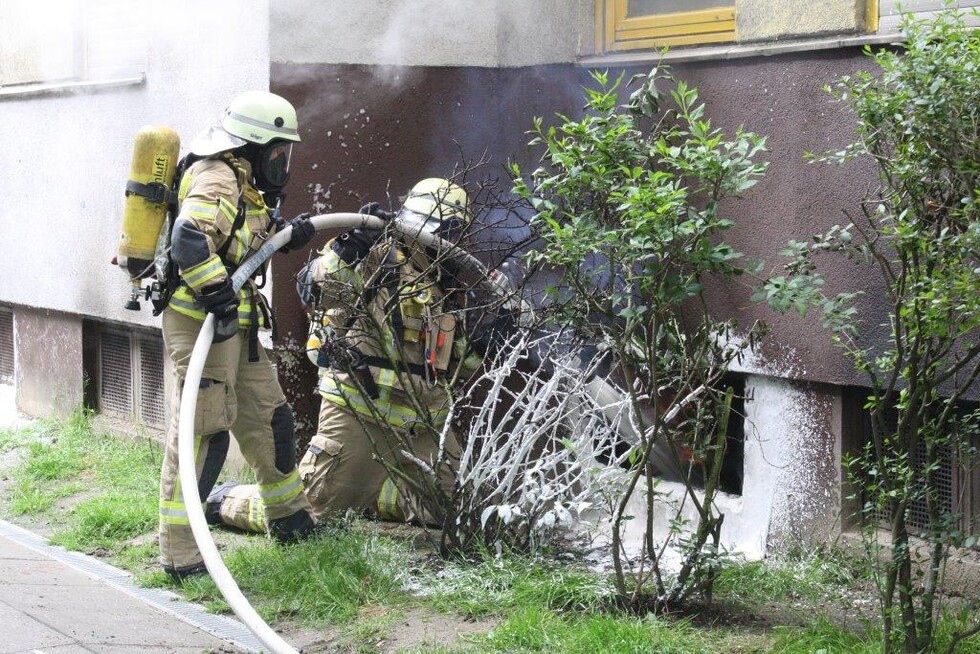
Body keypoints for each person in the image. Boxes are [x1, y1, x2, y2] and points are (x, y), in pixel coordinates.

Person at [207, 178, 497, 531]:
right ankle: (225, 500)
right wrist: (350, 249)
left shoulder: (447, 288)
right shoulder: (374, 255)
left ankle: (368, 495)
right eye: (447, 233)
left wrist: (490, 334)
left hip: (424, 424)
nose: (450, 244)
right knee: (309, 513)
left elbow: (459, 366)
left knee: (459, 514)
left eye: (457, 234)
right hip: (360, 413)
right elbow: (313, 288)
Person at [158, 90, 318, 579]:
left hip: (237, 325)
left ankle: (288, 519)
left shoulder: (243, 183)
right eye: (277, 152)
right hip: (201, 323)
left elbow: (240, 246)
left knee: (270, 420)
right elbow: (189, 239)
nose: (282, 162)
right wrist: (218, 296)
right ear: (251, 145)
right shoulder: (218, 177)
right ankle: (181, 555)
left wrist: (288, 234)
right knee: (204, 433)